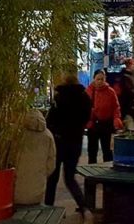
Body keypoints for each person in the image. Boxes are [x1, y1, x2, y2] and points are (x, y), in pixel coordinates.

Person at [45, 74, 91, 216]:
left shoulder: (60, 98)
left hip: (59, 141)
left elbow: (50, 119)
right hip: (75, 141)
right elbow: (86, 118)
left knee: (53, 177)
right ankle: (84, 207)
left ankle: (48, 208)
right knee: (70, 178)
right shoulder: (85, 98)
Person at [14, 109, 56, 206]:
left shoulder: (15, 132)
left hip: (14, 192)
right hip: (37, 192)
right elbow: (51, 164)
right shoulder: (48, 135)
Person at [85, 70, 122, 164]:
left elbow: (116, 107)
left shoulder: (110, 92)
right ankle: (91, 174)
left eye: (102, 79)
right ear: (94, 79)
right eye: (98, 79)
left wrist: (116, 118)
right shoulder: (89, 91)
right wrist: (87, 120)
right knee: (92, 151)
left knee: (107, 151)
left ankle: (107, 174)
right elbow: (83, 108)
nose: (100, 81)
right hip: (93, 124)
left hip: (106, 124)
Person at [117, 58, 134, 131]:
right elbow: (129, 91)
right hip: (126, 105)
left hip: (129, 104)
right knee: (129, 125)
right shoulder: (125, 76)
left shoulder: (133, 74)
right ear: (129, 65)